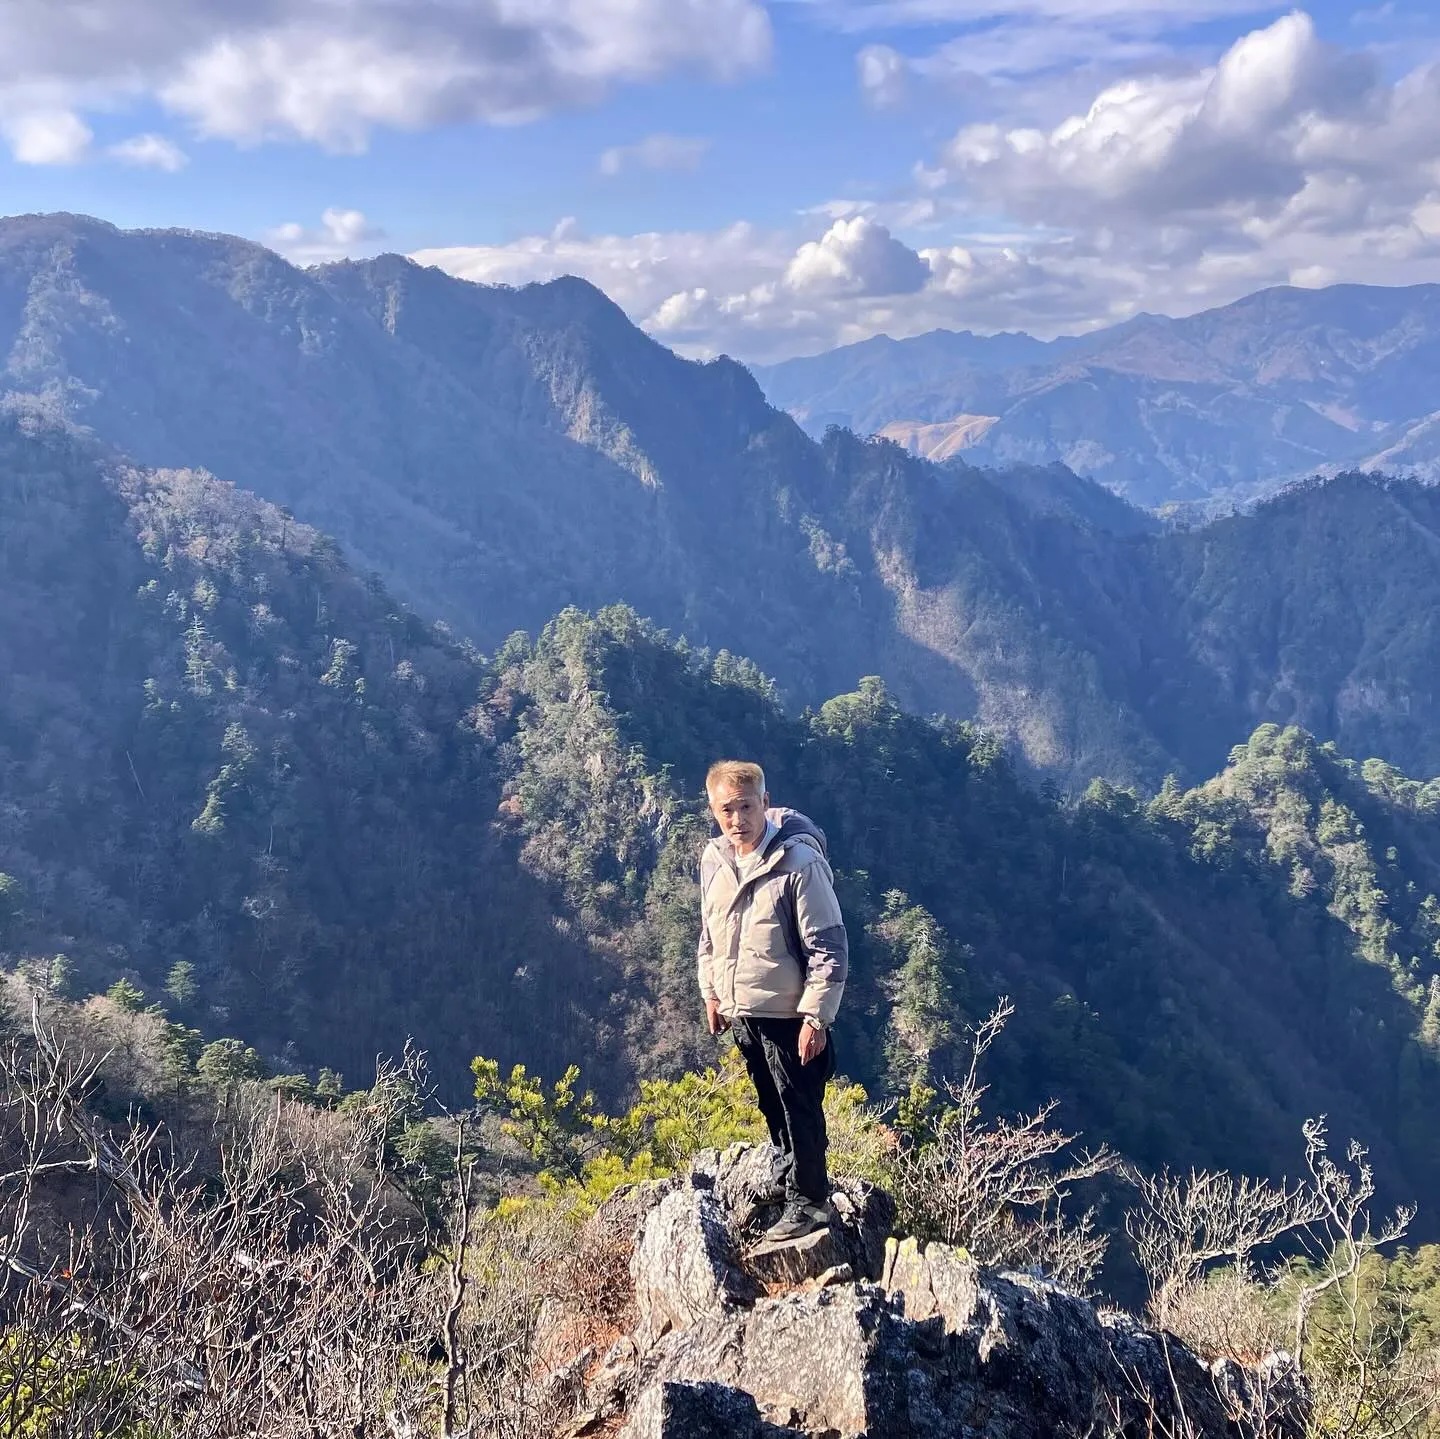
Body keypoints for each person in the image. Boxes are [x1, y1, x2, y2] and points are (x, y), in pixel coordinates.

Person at [697, 760, 848, 1242]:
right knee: (771, 1102)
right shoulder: (715, 860)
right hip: (744, 1011)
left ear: (765, 803)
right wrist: (712, 993)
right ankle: (790, 1184)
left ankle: (812, 1204)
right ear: (713, 810)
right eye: (727, 809)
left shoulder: (798, 864)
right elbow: (709, 935)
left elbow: (829, 948)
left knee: (798, 1103)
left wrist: (816, 1018)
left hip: (789, 1014)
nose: (737, 819)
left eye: (746, 806)